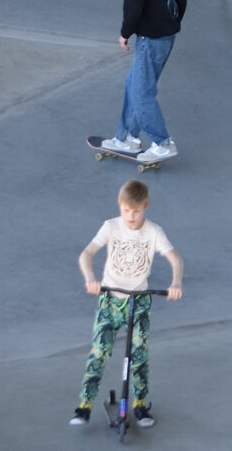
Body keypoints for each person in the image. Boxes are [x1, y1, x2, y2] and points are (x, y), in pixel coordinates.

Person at [69, 178, 183, 427]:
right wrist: (91, 278)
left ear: (146, 207)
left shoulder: (153, 231)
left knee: (139, 355)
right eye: (126, 210)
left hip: (139, 301)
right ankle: (84, 405)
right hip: (110, 298)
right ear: (120, 206)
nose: (130, 216)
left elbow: (174, 257)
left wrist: (175, 282)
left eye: (136, 211)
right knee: (99, 352)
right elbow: (86, 253)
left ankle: (140, 405)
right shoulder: (110, 226)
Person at [102, 0, 187, 164]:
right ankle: (127, 137)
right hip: (167, 35)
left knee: (142, 92)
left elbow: (134, 2)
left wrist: (125, 33)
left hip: (150, 38)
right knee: (133, 84)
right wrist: (172, 22)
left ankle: (162, 142)